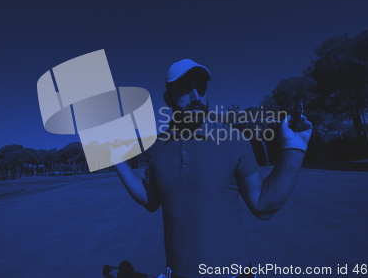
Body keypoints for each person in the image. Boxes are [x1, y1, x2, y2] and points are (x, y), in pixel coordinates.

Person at [112, 59, 312, 278]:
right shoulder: (156, 148)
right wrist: (117, 160)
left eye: (201, 88)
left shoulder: (234, 139)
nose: (197, 97)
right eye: (186, 89)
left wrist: (293, 149)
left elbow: (263, 207)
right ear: (168, 98)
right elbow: (151, 201)